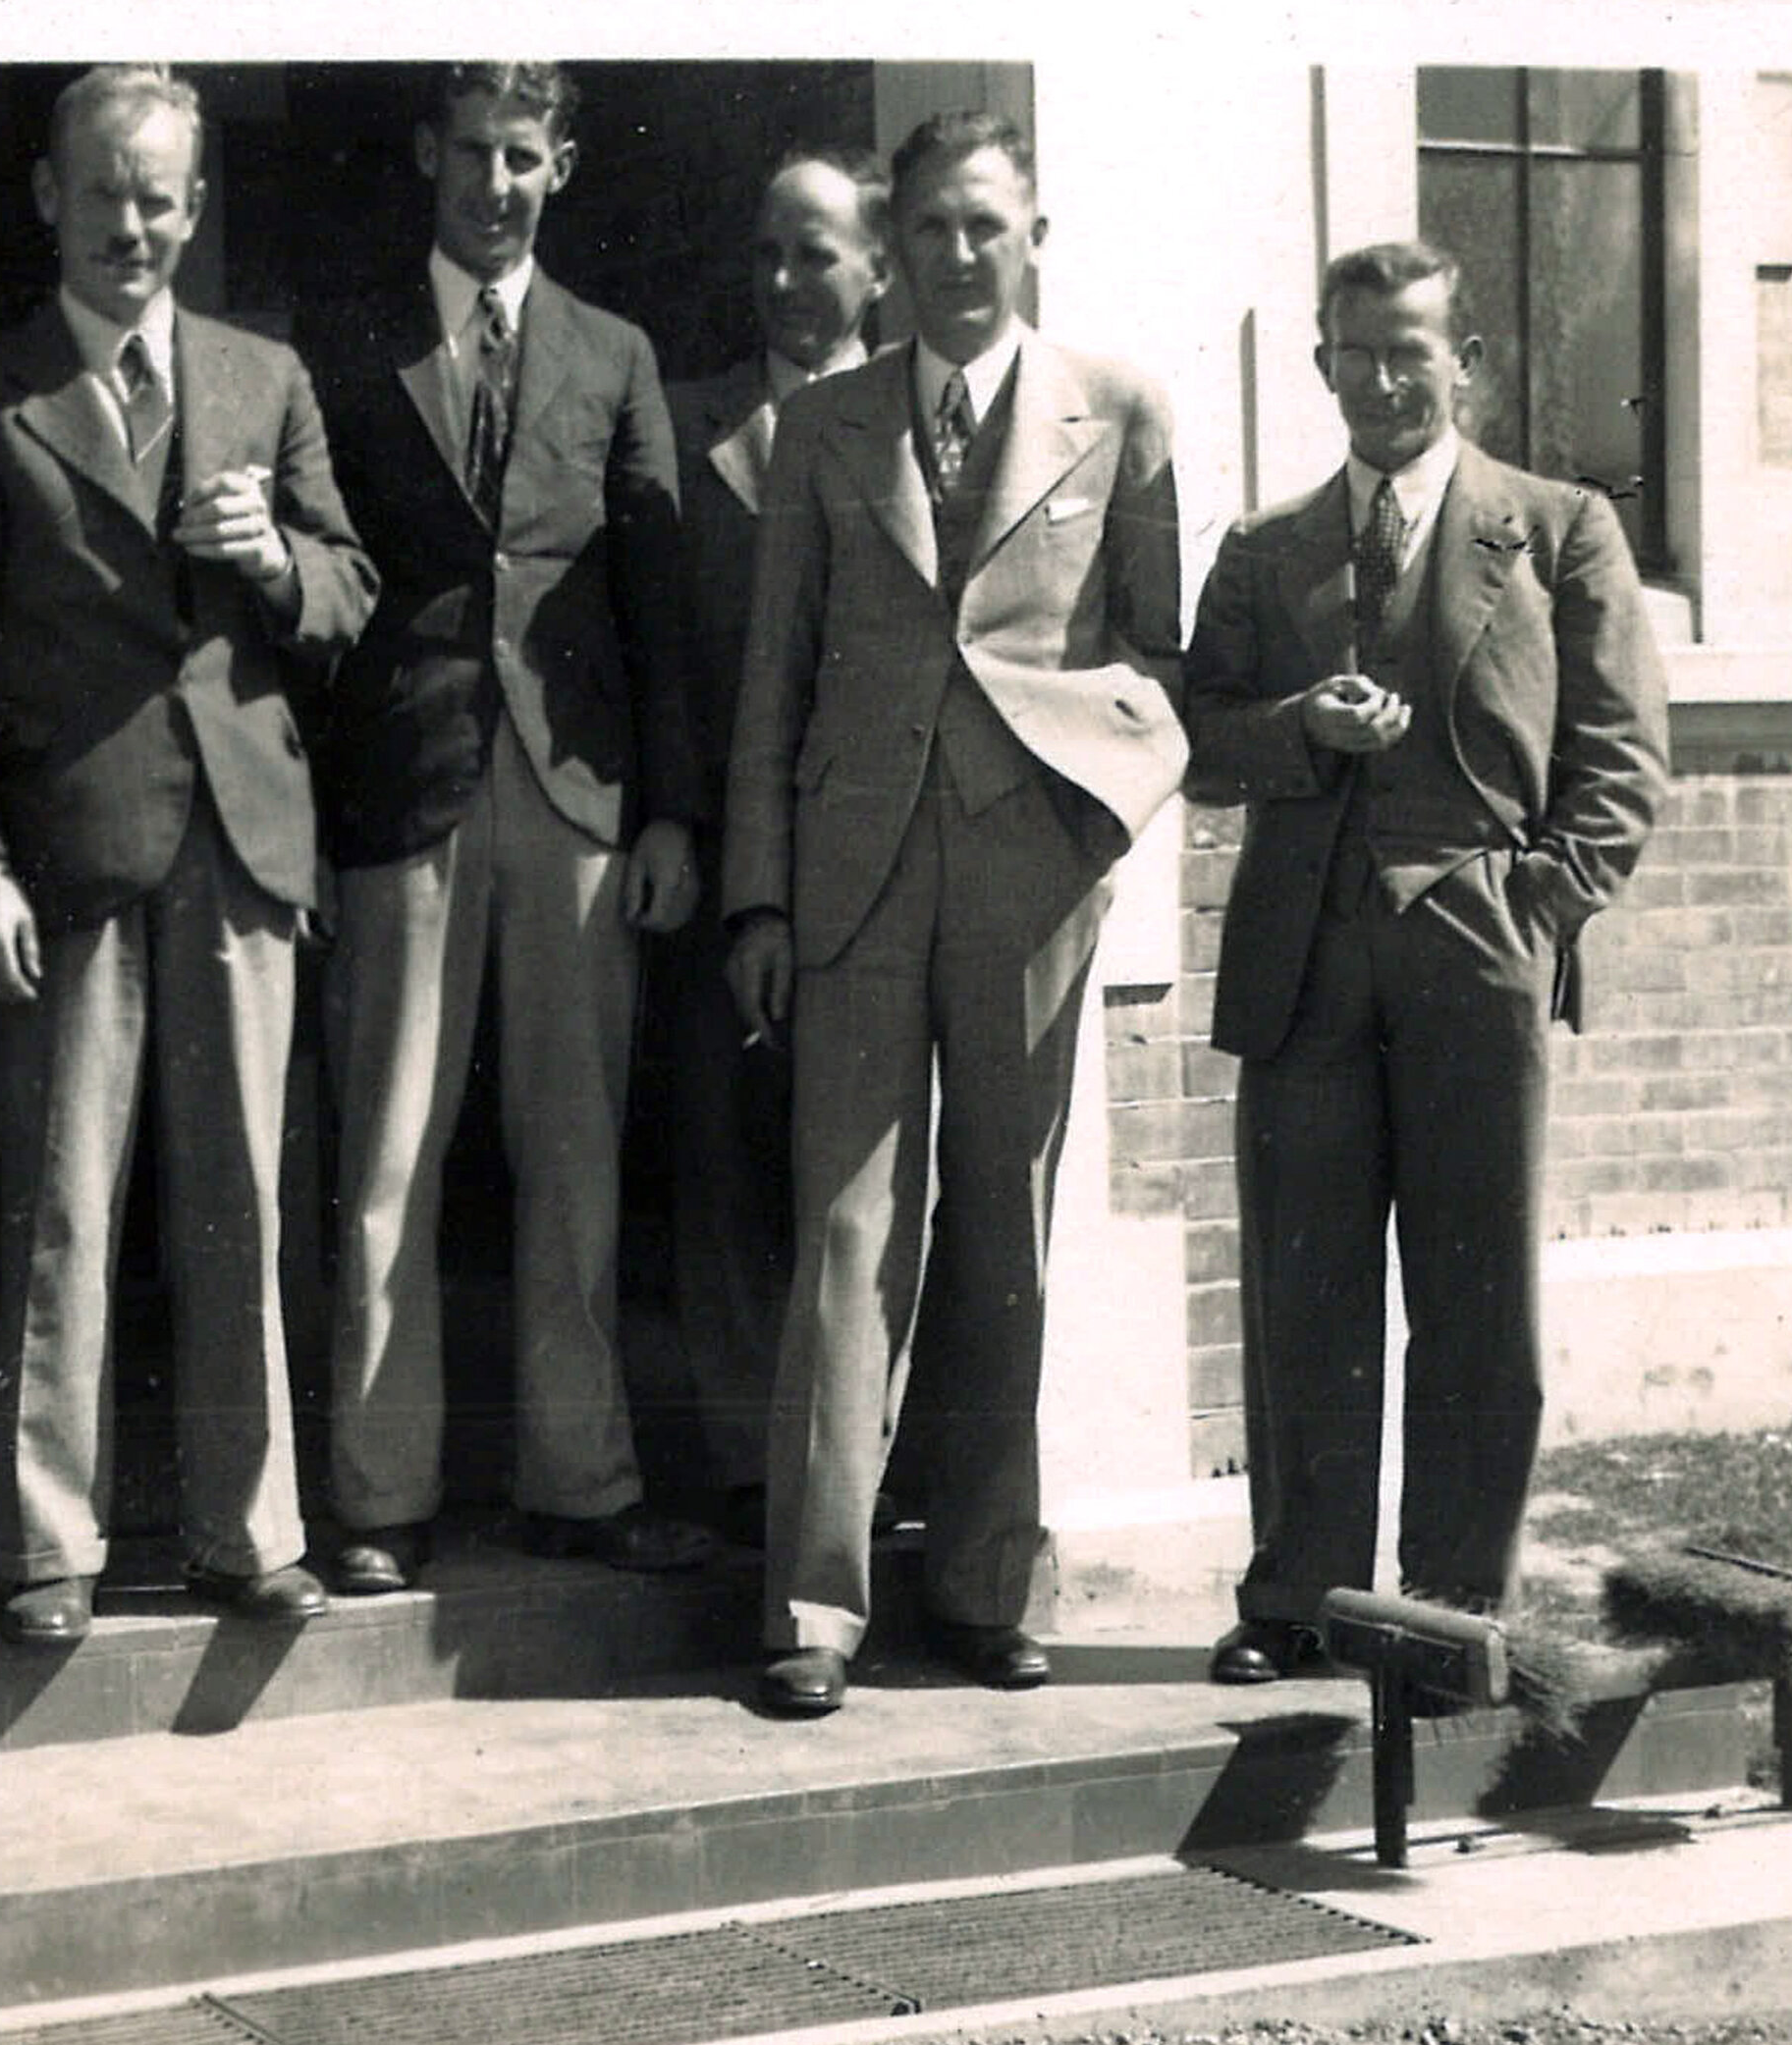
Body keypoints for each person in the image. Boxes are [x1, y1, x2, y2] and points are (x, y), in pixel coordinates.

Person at [722, 111, 1192, 1718]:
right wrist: (759, 897)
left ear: (1033, 233)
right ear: (894, 246)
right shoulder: (829, 428)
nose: (956, 257)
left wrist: (1092, 813)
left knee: (1006, 1234)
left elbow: (1161, 663)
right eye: (926, 229)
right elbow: (771, 682)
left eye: (984, 227)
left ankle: (991, 1581)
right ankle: (816, 1605)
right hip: (852, 874)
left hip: (1025, 884)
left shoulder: (1117, 412)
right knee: (848, 1233)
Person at [0, 66, 377, 1644]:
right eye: (103, 191)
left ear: (194, 207)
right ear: (52, 197)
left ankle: (251, 1533)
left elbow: (353, 590)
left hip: (242, 841)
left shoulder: (264, 376)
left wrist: (279, 563)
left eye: (159, 197)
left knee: (245, 1197)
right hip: (71, 852)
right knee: (63, 1210)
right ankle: (49, 1545)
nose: (132, 224)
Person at [1180, 239, 1667, 1685]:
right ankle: (1303, 1600)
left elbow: (1624, 760)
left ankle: (1453, 1608)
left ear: (1468, 365)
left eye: (1414, 351)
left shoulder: (1558, 527)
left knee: (1474, 1300)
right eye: (1358, 352)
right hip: (1305, 965)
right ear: (1321, 365)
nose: (1385, 378)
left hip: (1476, 954)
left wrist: (1536, 907)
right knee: (1306, 1291)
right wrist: (1294, 730)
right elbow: (1195, 734)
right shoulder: (1265, 553)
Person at [298, 61, 713, 1596]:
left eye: (522, 155)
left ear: (563, 167)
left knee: (575, 1151)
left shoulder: (614, 354)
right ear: (427, 155)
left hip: (580, 793)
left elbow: (659, 604)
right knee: (388, 1153)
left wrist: (671, 811)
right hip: (402, 784)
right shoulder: (346, 341)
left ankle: (579, 1474)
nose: (494, 180)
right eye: (469, 150)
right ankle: (377, 1491)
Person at [657, 145, 892, 1549]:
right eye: (769, 254)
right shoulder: (688, 427)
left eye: (819, 254)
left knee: (856, 1163)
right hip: (727, 840)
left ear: (874, 268)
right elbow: (664, 654)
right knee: (724, 1148)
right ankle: (752, 1452)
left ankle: (863, 1452)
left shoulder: (917, 425)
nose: (790, 283)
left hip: (871, 845)